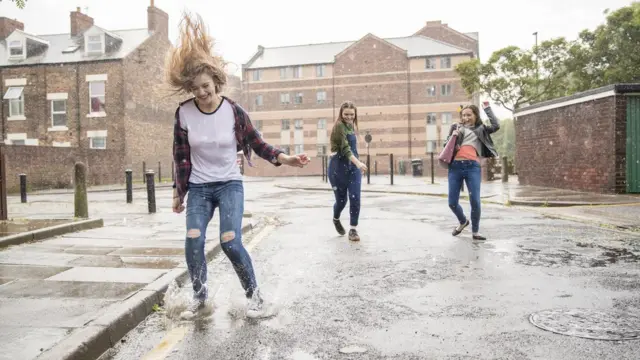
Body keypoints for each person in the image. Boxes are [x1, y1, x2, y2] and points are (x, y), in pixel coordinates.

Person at [167, 13, 310, 318]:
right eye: (196, 90)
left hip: (229, 184)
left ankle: (255, 298)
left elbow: (257, 143)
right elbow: (180, 156)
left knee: (230, 241)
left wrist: (285, 159)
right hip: (199, 188)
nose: (202, 94)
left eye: (206, 86)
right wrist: (178, 192)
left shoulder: (233, 111)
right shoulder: (183, 114)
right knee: (193, 239)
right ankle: (200, 298)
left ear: (216, 82)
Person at [444, 101, 500, 240]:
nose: (466, 118)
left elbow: (496, 125)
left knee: (475, 200)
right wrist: (453, 137)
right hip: (455, 167)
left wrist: (487, 109)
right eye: (463, 115)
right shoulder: (456, 127)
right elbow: (446, 146)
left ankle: (475, 232)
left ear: (475, 115)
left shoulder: (481, 129)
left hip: (472, 167)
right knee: (452, 203)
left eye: (469, 115)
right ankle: (463, 221)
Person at [328, 101, 367, 241]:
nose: (349, 117)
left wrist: (357, 163)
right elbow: (345, 149)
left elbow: (353, 149)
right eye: (346, 114)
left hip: (353, 168)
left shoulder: (351, 127)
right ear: (341, 113)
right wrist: (358, 163)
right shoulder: (339, 126)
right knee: (341, 201)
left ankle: (353, 229)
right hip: (338, 167)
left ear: (355, 114)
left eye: (351, 114)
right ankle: (336, 218)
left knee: (355, 197)